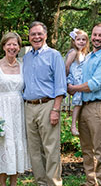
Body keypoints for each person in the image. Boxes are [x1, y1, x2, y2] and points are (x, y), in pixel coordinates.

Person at [68, 22, 101, 186]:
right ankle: (90, 181)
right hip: (84, 107)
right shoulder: (87, 57)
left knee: (100, 149)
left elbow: (94, 84)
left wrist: (73, 88)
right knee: (87, 148)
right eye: (95, 34)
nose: (97, 38)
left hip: (97, 106)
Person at [0, 32, 31, 186]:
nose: (12, 47)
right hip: (1, 109)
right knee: (3, 144)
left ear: (19, 47)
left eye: (15, 44)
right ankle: (3, 183)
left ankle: (14, 183)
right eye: (9, 44)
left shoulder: (23, 66)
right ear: (3, 46)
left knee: (16, 143)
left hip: (18, 108)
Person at [23, 21, 66, 186]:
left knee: (51, 148)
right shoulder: (26, 58)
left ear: (46, 35)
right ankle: (41, 183)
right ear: (29, 37)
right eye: (33, 34)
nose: (36, 37)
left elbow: (60, 85)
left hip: (48, 105)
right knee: (34, 150)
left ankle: (54, 183)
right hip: (29, 106)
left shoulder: (54, 55)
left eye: (39, 34)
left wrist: (56, 109)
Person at [65, 28, 90, 136]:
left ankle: (79, 125)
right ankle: (73, 126)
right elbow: (67, 66)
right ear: (74, 41)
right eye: (78, 39)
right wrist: (66, 82)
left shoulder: (84, 53)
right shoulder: (73, 52)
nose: (81, 42)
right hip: (74, 79)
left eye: (83, 39)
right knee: (78, 104)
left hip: (81, 79)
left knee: (81, 103)